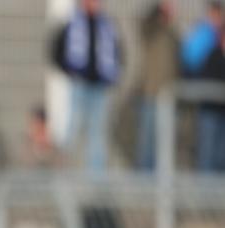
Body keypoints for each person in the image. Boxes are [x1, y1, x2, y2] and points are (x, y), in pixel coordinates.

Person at [52, 0, 122, 174]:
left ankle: (95, 178)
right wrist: (69, 71)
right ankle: (64, 171)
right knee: (72, 129)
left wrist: (112, 76)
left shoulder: (107, 26)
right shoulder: (72, 24)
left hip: (99, 88)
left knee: (97, 134)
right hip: (79, 85)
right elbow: (56, 51)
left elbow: (118, 53)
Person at [135, 1, 179, 172]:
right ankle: (144, 184)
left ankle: (160, 185)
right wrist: (159, 9)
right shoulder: (151, 30)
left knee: (164, 145)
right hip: (151, 94)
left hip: (168, 98)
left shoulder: (172, 34)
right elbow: (144, 23)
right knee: (146, 143)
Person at [197, 27, 225, 172]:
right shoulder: (213, 56)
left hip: (222, 113)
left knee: (221, 156)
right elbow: (207, 80)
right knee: (208, 154)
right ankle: (204, 192)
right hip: (211, 112)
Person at [182, 1, 222, 77]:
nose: (219, 20)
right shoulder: (207, 32)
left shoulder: (205, 30)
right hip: (198, 73)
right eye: (217, 15)